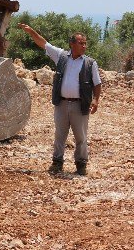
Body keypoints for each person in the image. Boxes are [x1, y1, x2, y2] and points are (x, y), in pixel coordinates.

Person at [18, 23, 102, 176]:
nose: (84, 46)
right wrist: (31, 31)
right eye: (81, 43)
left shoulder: (90, 63)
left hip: (80, 105)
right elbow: (44, 43)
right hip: (61, 104)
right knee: (60, 135)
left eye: (85, 43)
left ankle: (81, 165)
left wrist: (95, 100)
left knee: (81, 137)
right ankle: (57, 163)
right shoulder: (61, 56)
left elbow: (97, 83)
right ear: (72, 44)